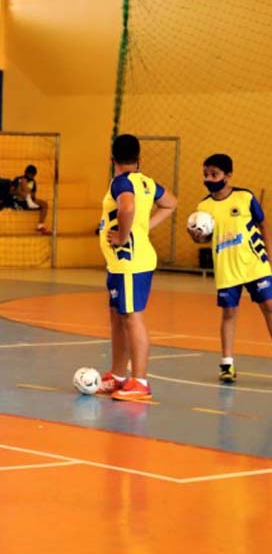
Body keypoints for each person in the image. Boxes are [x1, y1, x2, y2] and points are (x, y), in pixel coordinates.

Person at [97, 134, 177, 401]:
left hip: (131, 262)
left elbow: (127, 207)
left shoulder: (122, 182)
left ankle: (140, 381)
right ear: (139, 159)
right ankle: (118, 375)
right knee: (118, 317)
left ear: (112, 160)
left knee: (131, 317)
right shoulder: (146, 182)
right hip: (121, 263)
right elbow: (171, 203)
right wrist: (144, 228)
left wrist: (122, 236)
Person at [189, 154, 272, 383]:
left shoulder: (245, 197)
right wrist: (196, 237)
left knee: (269, 306)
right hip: (227, 268)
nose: (209, 178)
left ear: (227, 176)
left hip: (254, 262)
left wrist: (270, 254)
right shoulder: (203, 207)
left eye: (214, 174)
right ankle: (227, 365)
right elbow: (204, 239)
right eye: (206, 174)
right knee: (229, 313)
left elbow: (263, 223)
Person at [10, 164, 50, 234]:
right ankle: (28, 199)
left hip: (29, 200)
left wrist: (29, 194)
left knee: (45, 204)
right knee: (23, 182)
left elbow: (34, 195)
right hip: (18, 200)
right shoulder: (19, 179)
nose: (31, 177)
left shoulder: (33, 181)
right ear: (26, 173)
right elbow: (11, 192)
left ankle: (40, 226)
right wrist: (19, 191)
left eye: (32, 175)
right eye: (30, 175)